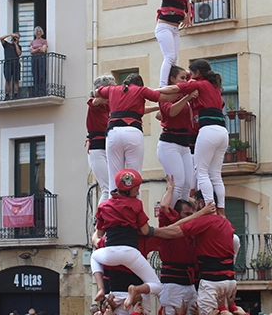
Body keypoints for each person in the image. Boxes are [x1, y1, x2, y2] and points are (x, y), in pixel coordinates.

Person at [89, 169, 162, 308]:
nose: (138, 192)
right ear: (129, 191)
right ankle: (136, 290)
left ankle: (101, 288)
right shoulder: (136, 204)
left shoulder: (104, 206)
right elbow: (145, 230)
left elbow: (99, 234)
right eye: (136, 190)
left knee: (94, 257)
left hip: (110, 252)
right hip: (129, 252)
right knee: (157, 285)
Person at [164, 59, 229, 215]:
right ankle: (220, 208)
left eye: (191, 73)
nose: (189, 77)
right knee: (215, 174)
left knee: (201, 172)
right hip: (222, 132)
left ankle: (209, 207)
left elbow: (176, 88)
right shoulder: (215, 87)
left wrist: (153, 91)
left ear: (198, 73)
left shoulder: (199, 84)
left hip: (208, 131)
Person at [95, 74, 176, 190]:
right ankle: (135, 206)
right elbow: (166, 98)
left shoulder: (113, 89)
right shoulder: (141, 90)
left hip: (113, 132)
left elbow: (98, 92)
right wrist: (184, 92)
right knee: (134, 177)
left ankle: (113, 206)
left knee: (114, 178)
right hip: (132, 131)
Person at [156, 175, 198, 315]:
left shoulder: (191, 229)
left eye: (191, 214)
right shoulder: (168, 224)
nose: (190, 216)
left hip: (189, 284)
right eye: (186, 214)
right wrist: (170, 189)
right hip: (173, 284)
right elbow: (163, 206)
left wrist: (188, 196)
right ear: (177, 214)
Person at [157, 66, 197, 203]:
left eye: (186, 78)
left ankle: (180, 216)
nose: (186, 81)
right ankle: (169, 215)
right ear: (172, 79)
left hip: (184, 144)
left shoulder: (183, 93)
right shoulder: (165, 95)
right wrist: (186, 97)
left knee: (187, 185)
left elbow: (191, 76)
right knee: (177, 185)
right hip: (169, 143)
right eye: (182, 78)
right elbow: (172, 112)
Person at [156, 0, 192, 88]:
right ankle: (163, 86)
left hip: (174, 29)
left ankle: (173, 82)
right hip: (164, 27)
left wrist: (188, 16)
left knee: (174, 59)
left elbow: (189, 9)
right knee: (169, 57)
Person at [87, 75, 116, 205]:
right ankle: (101, 222)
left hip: (108, 146)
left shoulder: (111, 106)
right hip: (97, 148)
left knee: (112, 187)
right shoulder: (96, 104)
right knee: (107, 188)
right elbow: (95, 101)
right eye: (113, 87)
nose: (115, 90)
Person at [0, 33, 22, 100]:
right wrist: (10, 34)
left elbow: (19, 54)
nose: (15, 38)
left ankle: (16, 94)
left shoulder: (19, 46)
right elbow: (1, 38)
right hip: (8, 64)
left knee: (16, 80)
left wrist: (16, 44)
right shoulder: (6, 44)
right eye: (15, 37)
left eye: (17, 38)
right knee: (8, 80)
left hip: (16, 64)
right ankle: (7, 94)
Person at [29, 27, 48, 97]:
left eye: (40, 31)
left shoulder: (44, 41)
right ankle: (36, 91)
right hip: (34, 59)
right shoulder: (32, 42)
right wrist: (38, 49)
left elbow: (43, 50)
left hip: (41, 58)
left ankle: (42, 91)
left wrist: (35, 50)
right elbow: (31, 51)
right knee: (35, 74)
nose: (38, 33)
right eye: (37, 31)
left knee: (41, 74)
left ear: (41, 33)